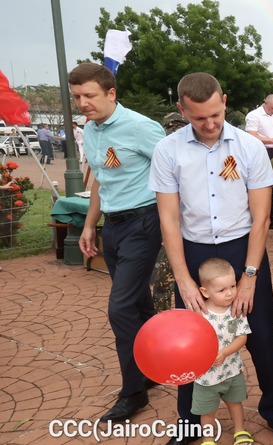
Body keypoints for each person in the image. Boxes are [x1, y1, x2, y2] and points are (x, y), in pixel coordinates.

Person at [149, 72, 273, 445]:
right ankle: (189, 424)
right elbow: (169, 220)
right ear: (182, 110)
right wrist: (183, 279)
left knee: (262, 334)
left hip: (243, 248)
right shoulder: (168, 150)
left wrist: (250, 276)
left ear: (224, 101)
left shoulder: (249, 147)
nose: (210, 124)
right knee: (189, 340)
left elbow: (262, 218)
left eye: (216, 114)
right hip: (194, 252)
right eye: (199, 118)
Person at [69, 62, 166, 424]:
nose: (83, 103)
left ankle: (133, 392)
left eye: (89, 95)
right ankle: (154, 367)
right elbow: (101, 181)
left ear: (111, 93)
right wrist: (89, 225)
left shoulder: (141, 127)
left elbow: (175, 171)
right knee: (138, 304)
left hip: (144, 222)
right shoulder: (91, 129)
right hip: (112, 226)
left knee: (120, 308)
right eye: (77, 96)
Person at [191, 258, 253, 445]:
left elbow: (242, 337)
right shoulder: (198, 314)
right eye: (222, 290)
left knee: (235, 403)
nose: (230, 293)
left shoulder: (236, 310)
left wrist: (225, 352)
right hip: (206, 377)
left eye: (233, 286)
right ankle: (208, 440)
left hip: (231, 370)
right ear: (205, 292)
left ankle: (240, 430)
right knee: (207, 411)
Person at [245, 94, 273, 163]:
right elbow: (251, 135)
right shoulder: (254, 115)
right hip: (263, 150)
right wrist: (271, 140)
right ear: (265, 103)